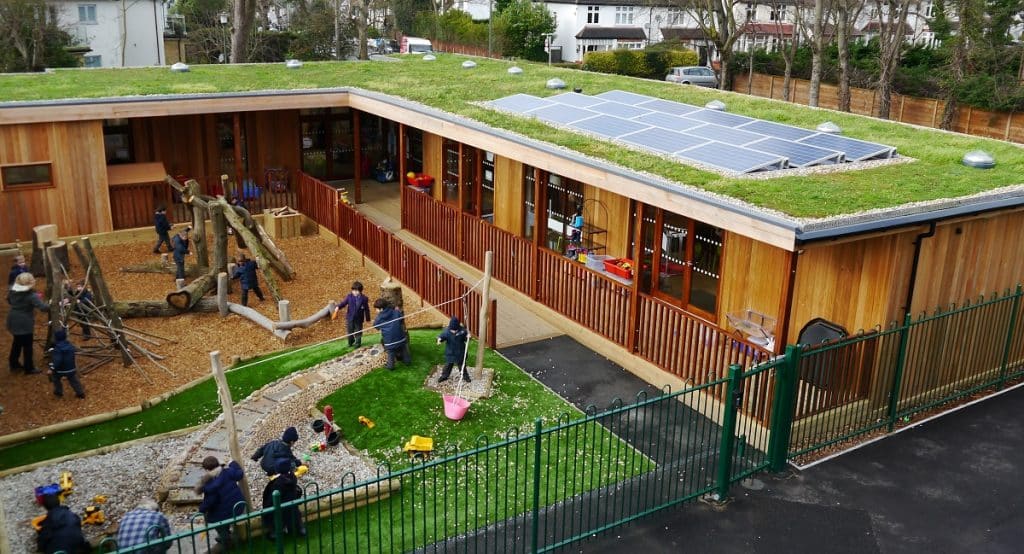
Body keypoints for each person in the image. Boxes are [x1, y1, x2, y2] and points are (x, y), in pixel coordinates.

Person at [196, 456, 246, 553]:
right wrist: (233, 463)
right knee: (222, 511)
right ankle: (227, 534)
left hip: (224, 514)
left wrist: (201, 510)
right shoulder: (227, 471)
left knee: (216, 519)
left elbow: (210, 502)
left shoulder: (210, 484)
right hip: (238, 506)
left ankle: (225, 539)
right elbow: (239, 474)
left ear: (206, 469)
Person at [7, 272, 48, 374]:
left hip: (12, 318)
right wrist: (55, 303)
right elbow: (43, 308)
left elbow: (9, 300)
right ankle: (29, 368)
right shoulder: (31, 296)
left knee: (17, 342)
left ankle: (14, 363)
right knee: (27, 346)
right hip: (24, 322)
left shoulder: (12, 291)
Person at [260, 459, 306, 540]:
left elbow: (271, 497)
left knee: (272, 515)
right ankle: (300, 528)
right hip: (291, 505)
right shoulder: (292, 477)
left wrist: (267, 507)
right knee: (294, 513)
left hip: (281, 507)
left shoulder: (277, 483)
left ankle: (276, 532)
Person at [373, 298, 410, 370]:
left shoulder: (379, 318)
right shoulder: (395, 312)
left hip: (390, 341)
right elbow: (401, 319)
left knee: (391, 352)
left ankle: (390, 366)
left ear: (381, 309)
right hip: (401, 338)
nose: (376, 311)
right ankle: (407, 361)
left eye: (376, 309)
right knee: (403, 349)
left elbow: (376, 326)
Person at [48, 328, 85, 399]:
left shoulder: (57, 349)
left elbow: (57, 361)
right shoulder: (70, 346)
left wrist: (52, 368)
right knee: (73, 380)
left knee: (55, 378)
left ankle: (58, 392)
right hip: (71, 368)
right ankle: (80, 393)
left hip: (60, 370)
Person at [335, 281, 371, 347]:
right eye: (353, 290)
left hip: (359, 319)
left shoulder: (364, 299)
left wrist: (368, 318)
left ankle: (358, 343)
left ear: (360, 291)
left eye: (357, 291)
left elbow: (366, 309)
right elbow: (343, 303)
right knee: (350, 331)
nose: (355, 292)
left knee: (358, 331)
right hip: (350, 318)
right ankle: (350, 342)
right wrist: (338, 307)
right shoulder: (349, 297)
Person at [437, 316, 471, 383]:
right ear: (450, 327)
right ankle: (444, 376)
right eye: (452, 330)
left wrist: (468, 337)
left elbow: (466, 339)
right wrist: (439, 340)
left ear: (458, 327)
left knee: (462, 365)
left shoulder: (462, 331)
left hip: (460, 352)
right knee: (448, 366)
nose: (454, 331)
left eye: (455, 330)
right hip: (450, 352)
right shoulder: (446, 331)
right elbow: (441, 337)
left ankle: (465, 376)